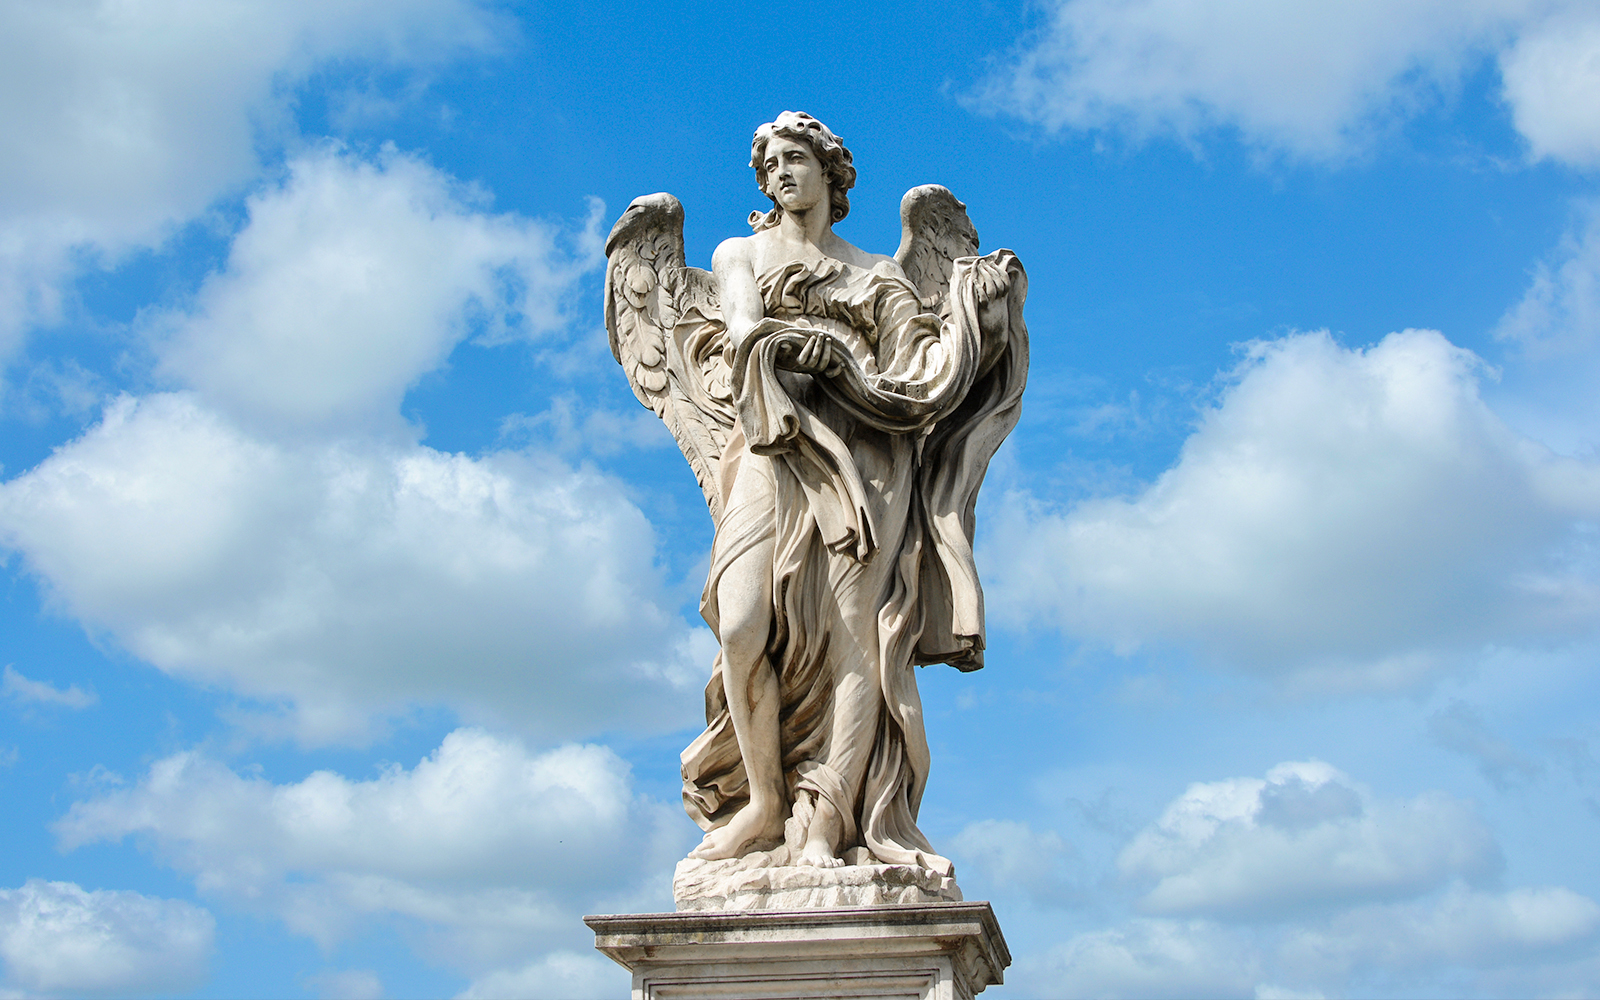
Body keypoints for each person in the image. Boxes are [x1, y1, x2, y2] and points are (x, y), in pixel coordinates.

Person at [678, 112, 1025, 874]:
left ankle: (826, 821)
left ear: (831, 173)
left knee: (857, 637)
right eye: (768, 165)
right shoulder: (740, 252)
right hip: (776, 446)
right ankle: (765, 803)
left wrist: (979, 313)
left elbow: (926, 371)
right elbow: (742, 333)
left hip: (869, 460)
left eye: (795, 158)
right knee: (740, 623)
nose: (779, 174)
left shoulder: (880, 274)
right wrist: (808, 346)